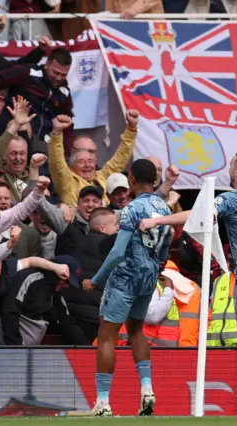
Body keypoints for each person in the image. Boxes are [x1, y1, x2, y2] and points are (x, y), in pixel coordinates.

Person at [141, 124, 237, 416]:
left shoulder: (231, 199)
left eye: (231, 166)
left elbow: (196, 215)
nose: (229, 170)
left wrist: (157, 221)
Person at [70, 159, 172, 417]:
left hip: (126, 276)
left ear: (132, 180)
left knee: (107, 336)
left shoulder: (130, 210)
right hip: (149, 276)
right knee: (136, 331)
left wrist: (95, 280)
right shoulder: (164, 207)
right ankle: (147, 390)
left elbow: (116, 253)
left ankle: (103, 403)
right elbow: (164, 249)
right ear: (155, 180)